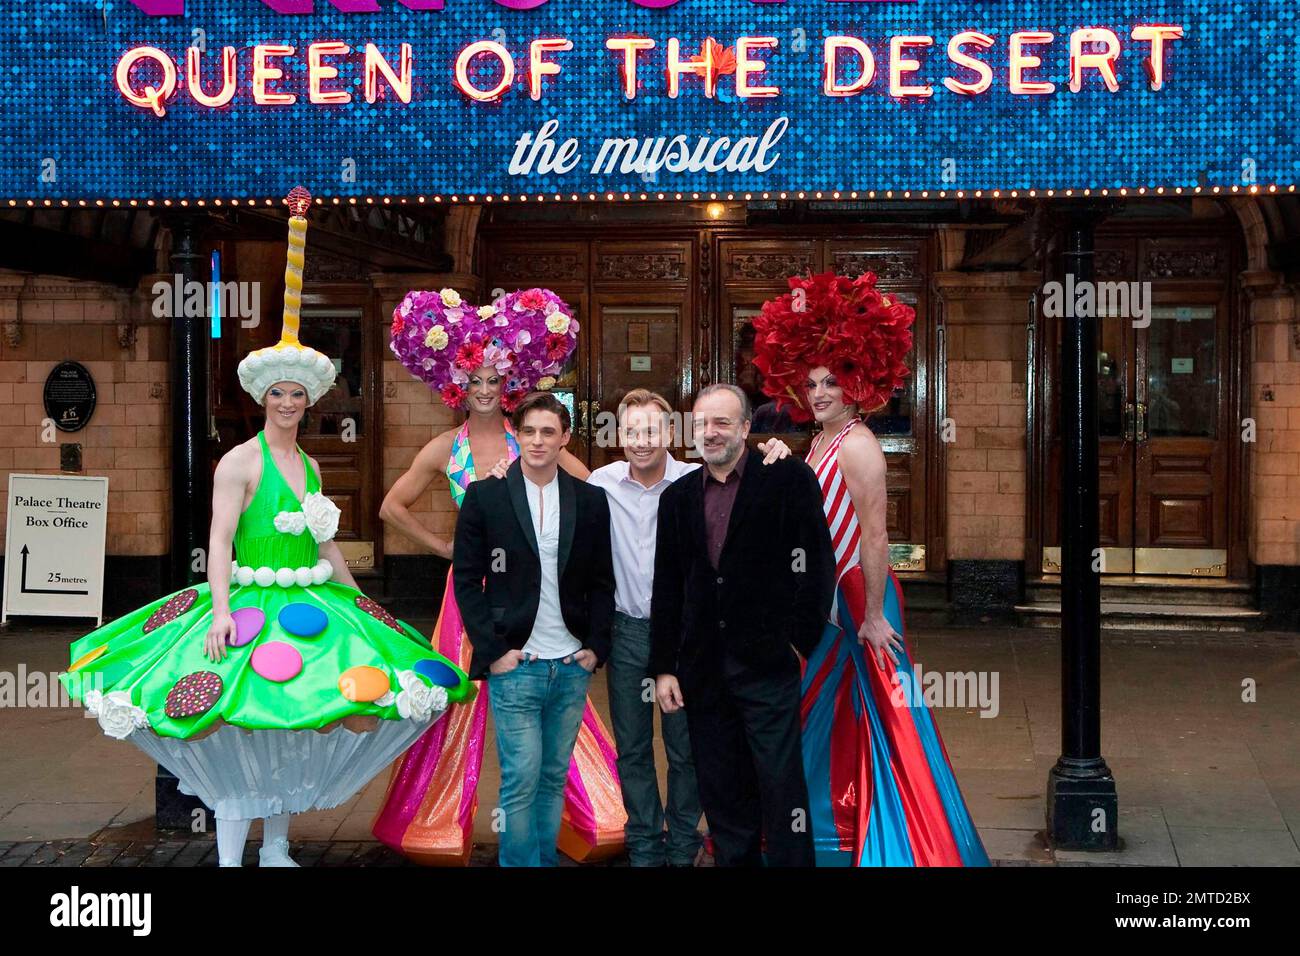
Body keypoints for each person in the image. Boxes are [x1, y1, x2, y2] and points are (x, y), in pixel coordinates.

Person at [57, 189, 472, 867]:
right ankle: (228, 852)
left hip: (306, 602)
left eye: (297, 394)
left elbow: (324, 539)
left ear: (309, 401)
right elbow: (218, 541)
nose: (287, 402)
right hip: (248, 605)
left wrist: (359, 598)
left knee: (287, 728)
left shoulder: (308, 462)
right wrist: (220, 611)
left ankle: (275, 846)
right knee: (237, 729)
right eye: (277, 393)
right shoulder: (239, 462)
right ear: (263, 399)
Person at [373, 286, 624, 864]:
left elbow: (593, 490)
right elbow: (391, 507)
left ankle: (587, 817)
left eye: (493, 380)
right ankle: (435, 822)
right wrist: (447, 549)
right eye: (474, 381)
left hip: (542, 602)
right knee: (457, 703)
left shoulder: (532, 437)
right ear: (457, 386)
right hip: (470, 600)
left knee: (551, 719)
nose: (484, 391)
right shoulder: (444, 446)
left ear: (506, 385)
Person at [752, 269, 989, 866]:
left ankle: (915, 846)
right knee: (831, 707)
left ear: (860, 384)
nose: (821, 392)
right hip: (835, 595)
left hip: (861, 593)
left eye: (833, 381)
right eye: (811, 383)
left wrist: (877, 614)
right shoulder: (824, 439)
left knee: (891, 715)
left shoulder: (857, 444)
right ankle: (827, 828)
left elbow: (877, 535)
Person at [587, 389, 791, 867]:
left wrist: (776, 449)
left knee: (686, 749)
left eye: (652, 430)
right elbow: (547, 475)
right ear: (618, 436)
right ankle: (643, 844)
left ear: (671, 434)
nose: (641, 441)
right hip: (626, 632)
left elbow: (744, 467)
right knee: (633, 748)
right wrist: (502, 470)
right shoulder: (601, 482)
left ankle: (683, 843)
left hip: (683, 638)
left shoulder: (692, 480)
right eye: (631, 431)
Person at [650, 383, 836, 867]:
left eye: (722, 422)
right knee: (724, 794)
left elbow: (817, 566)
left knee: (781, 789)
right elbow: (667, 587)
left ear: (747, 428)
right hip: (703, 671)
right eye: (701, 423)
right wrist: (664, 667)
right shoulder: (677, 498)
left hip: (768, 664)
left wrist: (798, 643)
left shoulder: (787, 480)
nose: (709, 433)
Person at [452, 392, 615, 867]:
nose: (538, 441)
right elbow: (466, 579)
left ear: (565, 438)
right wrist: (494, 650)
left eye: (549, 432)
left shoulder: (589, 500)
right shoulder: (487, 496)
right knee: (521, 777)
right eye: (528, 431)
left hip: (569, 665)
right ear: (516, 436)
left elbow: (603, 581)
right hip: (516, 663)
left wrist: (595, 648)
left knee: (552, 775)